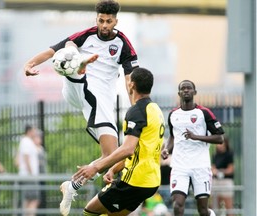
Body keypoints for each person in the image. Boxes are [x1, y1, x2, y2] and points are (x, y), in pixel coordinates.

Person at [23, 0, 138, 215]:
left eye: (109, 21)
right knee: (69, 49)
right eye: (101, 20)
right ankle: (79, 65)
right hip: (80, 88)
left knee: (114, 157)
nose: (104, 25)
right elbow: (51, 50)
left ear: (116, 21)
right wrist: (30, 64)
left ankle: (72, 186)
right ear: (96, 19)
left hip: (101, 99)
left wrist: (135, 108)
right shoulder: (86, 34)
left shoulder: (123, 43)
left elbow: (130, 78)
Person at [72, 67, 165, 216]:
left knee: (89, 211)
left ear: (131, 85)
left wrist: (96, 167)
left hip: (134, 181)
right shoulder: (155, 110)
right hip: (151, 181)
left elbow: (128, 149)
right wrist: (113, 169)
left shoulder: (136, 111)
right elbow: (138, 150)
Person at [161, 80, 225, 216]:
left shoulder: (204, 113)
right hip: (179, 166)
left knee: (202, 210)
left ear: (194, 92)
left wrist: (196, 137)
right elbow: (173, 136)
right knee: (177, 205)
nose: (186, 90)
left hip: (200, 166)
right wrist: (167, 149)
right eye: (183, 88)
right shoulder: (173, 114)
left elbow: (220, 138)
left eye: (189, 88)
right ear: (179, 93)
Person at [16, 125, 40, 216]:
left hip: (27, 175)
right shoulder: (26, 141)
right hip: (29, 176)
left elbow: (18, 160)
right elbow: (26, 157)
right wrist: (31, 173)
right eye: (34, 131)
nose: (35, 133)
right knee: (34, 199)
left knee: (27, 200)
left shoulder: (26, 141)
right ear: (29, 131)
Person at [211, 137, 234, 216]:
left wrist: (221, 172)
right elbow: (213, 168)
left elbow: (230, 169)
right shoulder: (215, 155)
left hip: (226, 182)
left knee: (228, 208)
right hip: (216, 181)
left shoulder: (229, 154)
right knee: (214, 207)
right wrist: (215, 172)